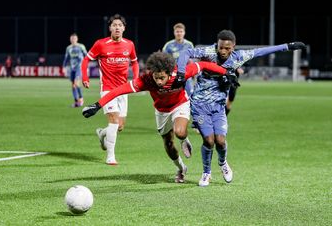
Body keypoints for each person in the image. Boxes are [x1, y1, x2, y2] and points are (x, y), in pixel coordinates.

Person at [177, 31, 306, 186]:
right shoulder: (208, 52)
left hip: (218, 106)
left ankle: (223, 163)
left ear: (234, 47)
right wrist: (181, 72)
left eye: (227, 48)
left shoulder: (239, 57)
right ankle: (206, 173)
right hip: (199, 105)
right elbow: (186, 52)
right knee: (209, 140)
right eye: (220, 47)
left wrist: (287, 46)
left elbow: (261, 51)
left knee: (220, 141)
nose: (223, 51)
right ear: (216, 44)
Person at [82, 52, 229, 183]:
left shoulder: (180, 73)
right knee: (169, 144)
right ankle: (181, 168)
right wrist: (97, 105)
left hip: (180, 104)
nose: (159, 81)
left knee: (180, 131)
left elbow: (202, 65)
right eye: (156, 77)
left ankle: (184, 139)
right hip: (161, 111)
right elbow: (118, 91)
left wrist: (226, 72)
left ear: (169, 72)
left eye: (162, 78)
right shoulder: (145, 80)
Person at [81, 14, 139, 165]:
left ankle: (102, 133)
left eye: (120, 25)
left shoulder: (129, 45)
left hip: (123, 90)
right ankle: (110, 156)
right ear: (110, 28)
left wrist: (136, 78)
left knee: (119, 126)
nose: (117, 27)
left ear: (124, 28)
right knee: (113, 119)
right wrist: (85, 77)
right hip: (107, 90)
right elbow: (86, 59)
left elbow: (135, 62)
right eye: (114, 25)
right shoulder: (101, 44)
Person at [162, 23, 195, 96]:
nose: (179, 33)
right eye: (177, 31)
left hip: (186, 74)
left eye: (181, 31)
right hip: (173, 74)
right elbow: (163, 60)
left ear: (184, 32)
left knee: (190, 95)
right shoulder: (168, 45)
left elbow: (193, 60)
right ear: (174, 32)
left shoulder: (189, 45)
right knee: (173, 96)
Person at [63, 33, 87, 108]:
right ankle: (76, 102)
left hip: (79, 67)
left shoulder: (81, 46)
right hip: (72, 68)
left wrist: (86, 65)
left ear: (77, 39)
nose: (73, 40)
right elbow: (66, 58)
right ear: (70, 39)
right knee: (73, 85)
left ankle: (81, 98)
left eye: (74, 38)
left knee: (76, 83)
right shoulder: (68, 48)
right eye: (71, 39)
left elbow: (86, 55)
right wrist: (64, 67)